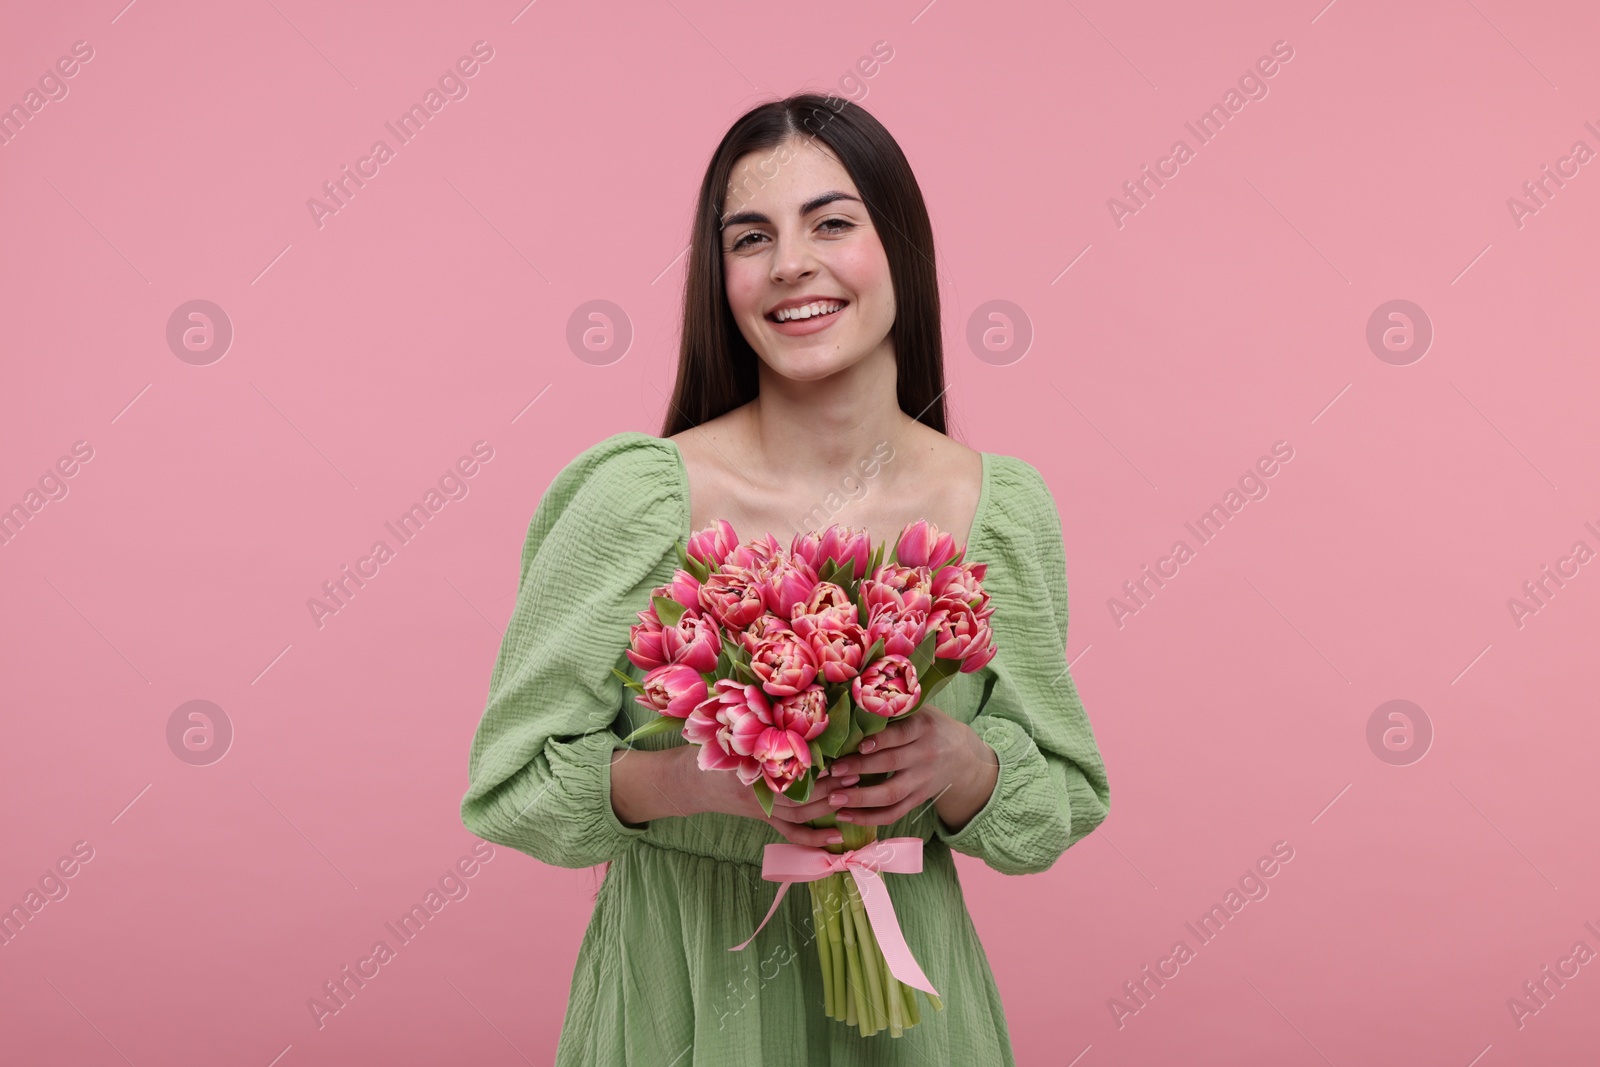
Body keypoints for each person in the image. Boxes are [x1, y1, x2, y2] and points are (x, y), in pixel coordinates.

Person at [459, 92, 1110, 1065]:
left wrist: (961, 764)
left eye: (832, 223)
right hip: (681, 988)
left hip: (916, 1004)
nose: (791, 264)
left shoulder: (998, 510)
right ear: (720, 277)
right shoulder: (634, 500)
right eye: (750, 237)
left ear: (901, 249)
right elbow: (508, 785)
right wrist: (697, 781)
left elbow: (1060, 801)